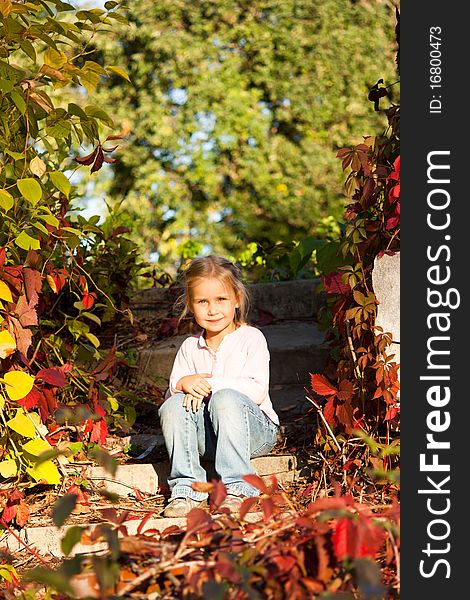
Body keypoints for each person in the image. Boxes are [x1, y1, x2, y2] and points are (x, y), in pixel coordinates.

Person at [159, 255, 279, 517]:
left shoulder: (251, 339)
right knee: (174, 406)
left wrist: (211, 385)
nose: (212, 310)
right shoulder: (190, 347)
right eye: (203, 301)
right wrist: (181, 383)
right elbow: (172, 406)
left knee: (225, 398)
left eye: (221, 300)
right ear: (191, 305)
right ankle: (186, 488)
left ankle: (237, 487)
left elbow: (257, 390)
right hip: (209, 438)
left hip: (254, 432)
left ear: (237, 299)